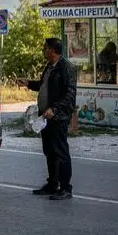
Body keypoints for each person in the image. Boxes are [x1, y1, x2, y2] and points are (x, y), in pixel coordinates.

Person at [16, 38, 77, 201]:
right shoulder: (50, 66)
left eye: (45, 48)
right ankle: (52, 184)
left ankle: (65, 188)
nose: (43, 51)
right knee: (49, 151)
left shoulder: (66, 67)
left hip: (58, 116)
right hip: (45, 116)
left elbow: (70, 95)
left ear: (52, 50)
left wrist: (55, 109)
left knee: (60, 151)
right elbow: (43, 86)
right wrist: (28, 83)